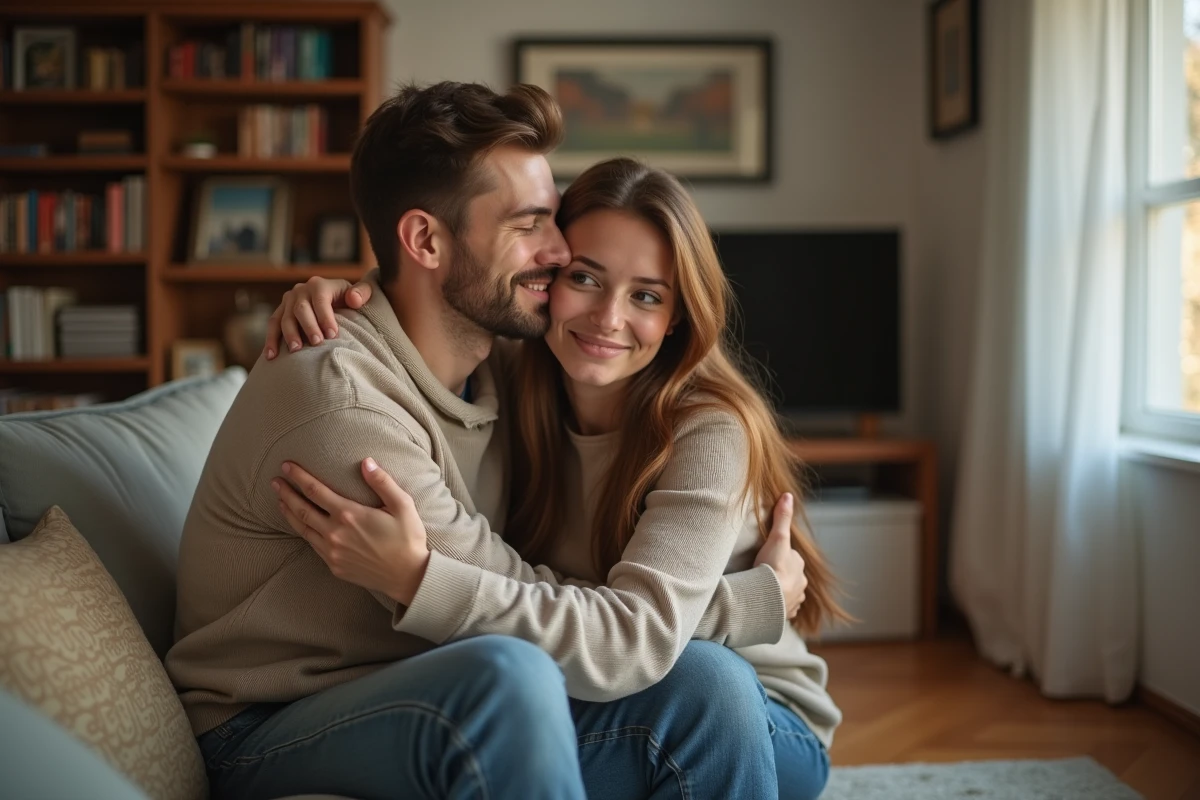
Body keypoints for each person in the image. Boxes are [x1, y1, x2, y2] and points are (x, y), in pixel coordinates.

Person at [166, 81, 806, 800]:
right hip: (268, 722)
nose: (560, 251)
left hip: (415, 684)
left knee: (708, 687)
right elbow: (508, 596)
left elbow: (607, 624)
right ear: (426, 240)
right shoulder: (346, 410)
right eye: (529, 224)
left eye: (553, 219)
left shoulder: (507, 361)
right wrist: (742, 604)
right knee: (517, 675)